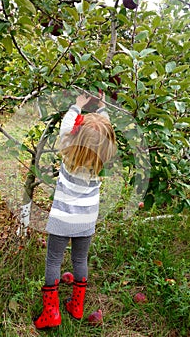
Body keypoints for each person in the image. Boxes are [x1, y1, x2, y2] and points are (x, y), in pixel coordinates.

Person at [33, 92, 117, 329]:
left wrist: (77, 105)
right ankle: (77, 306)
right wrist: (101, 109)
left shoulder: (68, 150)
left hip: (62, 218)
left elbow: (66, 125)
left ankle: (51, 312)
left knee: (53, 262)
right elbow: (106, 134)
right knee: (80, 259)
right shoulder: (103, 159)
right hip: (87, 219)